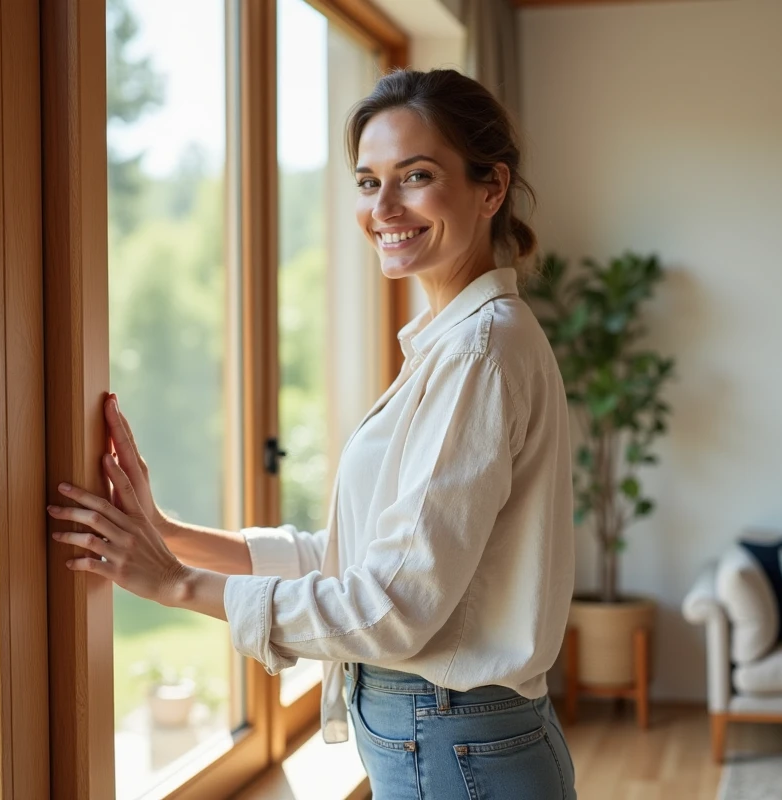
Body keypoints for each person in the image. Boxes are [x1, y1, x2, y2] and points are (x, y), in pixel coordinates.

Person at [48, 68, 577, 799]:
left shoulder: (477, 353)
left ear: (490, 189)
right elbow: (348, 561)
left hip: (454, 745)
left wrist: (176, 583)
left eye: (415, 176)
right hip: (453, 743)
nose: (383, 207)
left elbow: (392, 606)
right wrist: (168, 534)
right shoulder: (456, 344)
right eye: (367, 182)